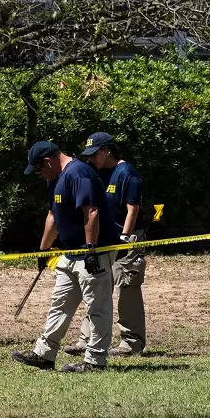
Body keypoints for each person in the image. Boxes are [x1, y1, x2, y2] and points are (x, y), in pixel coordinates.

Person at [12, 141, 121, 373]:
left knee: (98, 308)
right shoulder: (56, 178)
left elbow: (91, 212)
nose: (40, 175)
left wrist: (91, 250)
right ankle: (44, 353)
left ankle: (95, 361)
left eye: (40, 169)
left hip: (92, 253)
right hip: (69, 254)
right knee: (59, 304)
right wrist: (43, 250)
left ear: (48, 161)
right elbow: (53, 215)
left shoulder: (79, 174)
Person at [63, 132, 148, 357]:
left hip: (126, 240)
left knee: (127, 287)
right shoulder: (96, 173)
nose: (91, 159)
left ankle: (131, 342)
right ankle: (86, 338)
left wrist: (125, 238)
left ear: (107, 151)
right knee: (96, 287)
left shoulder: (127, 173)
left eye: (95, 154)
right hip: (104, 239)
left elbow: (133, 209)